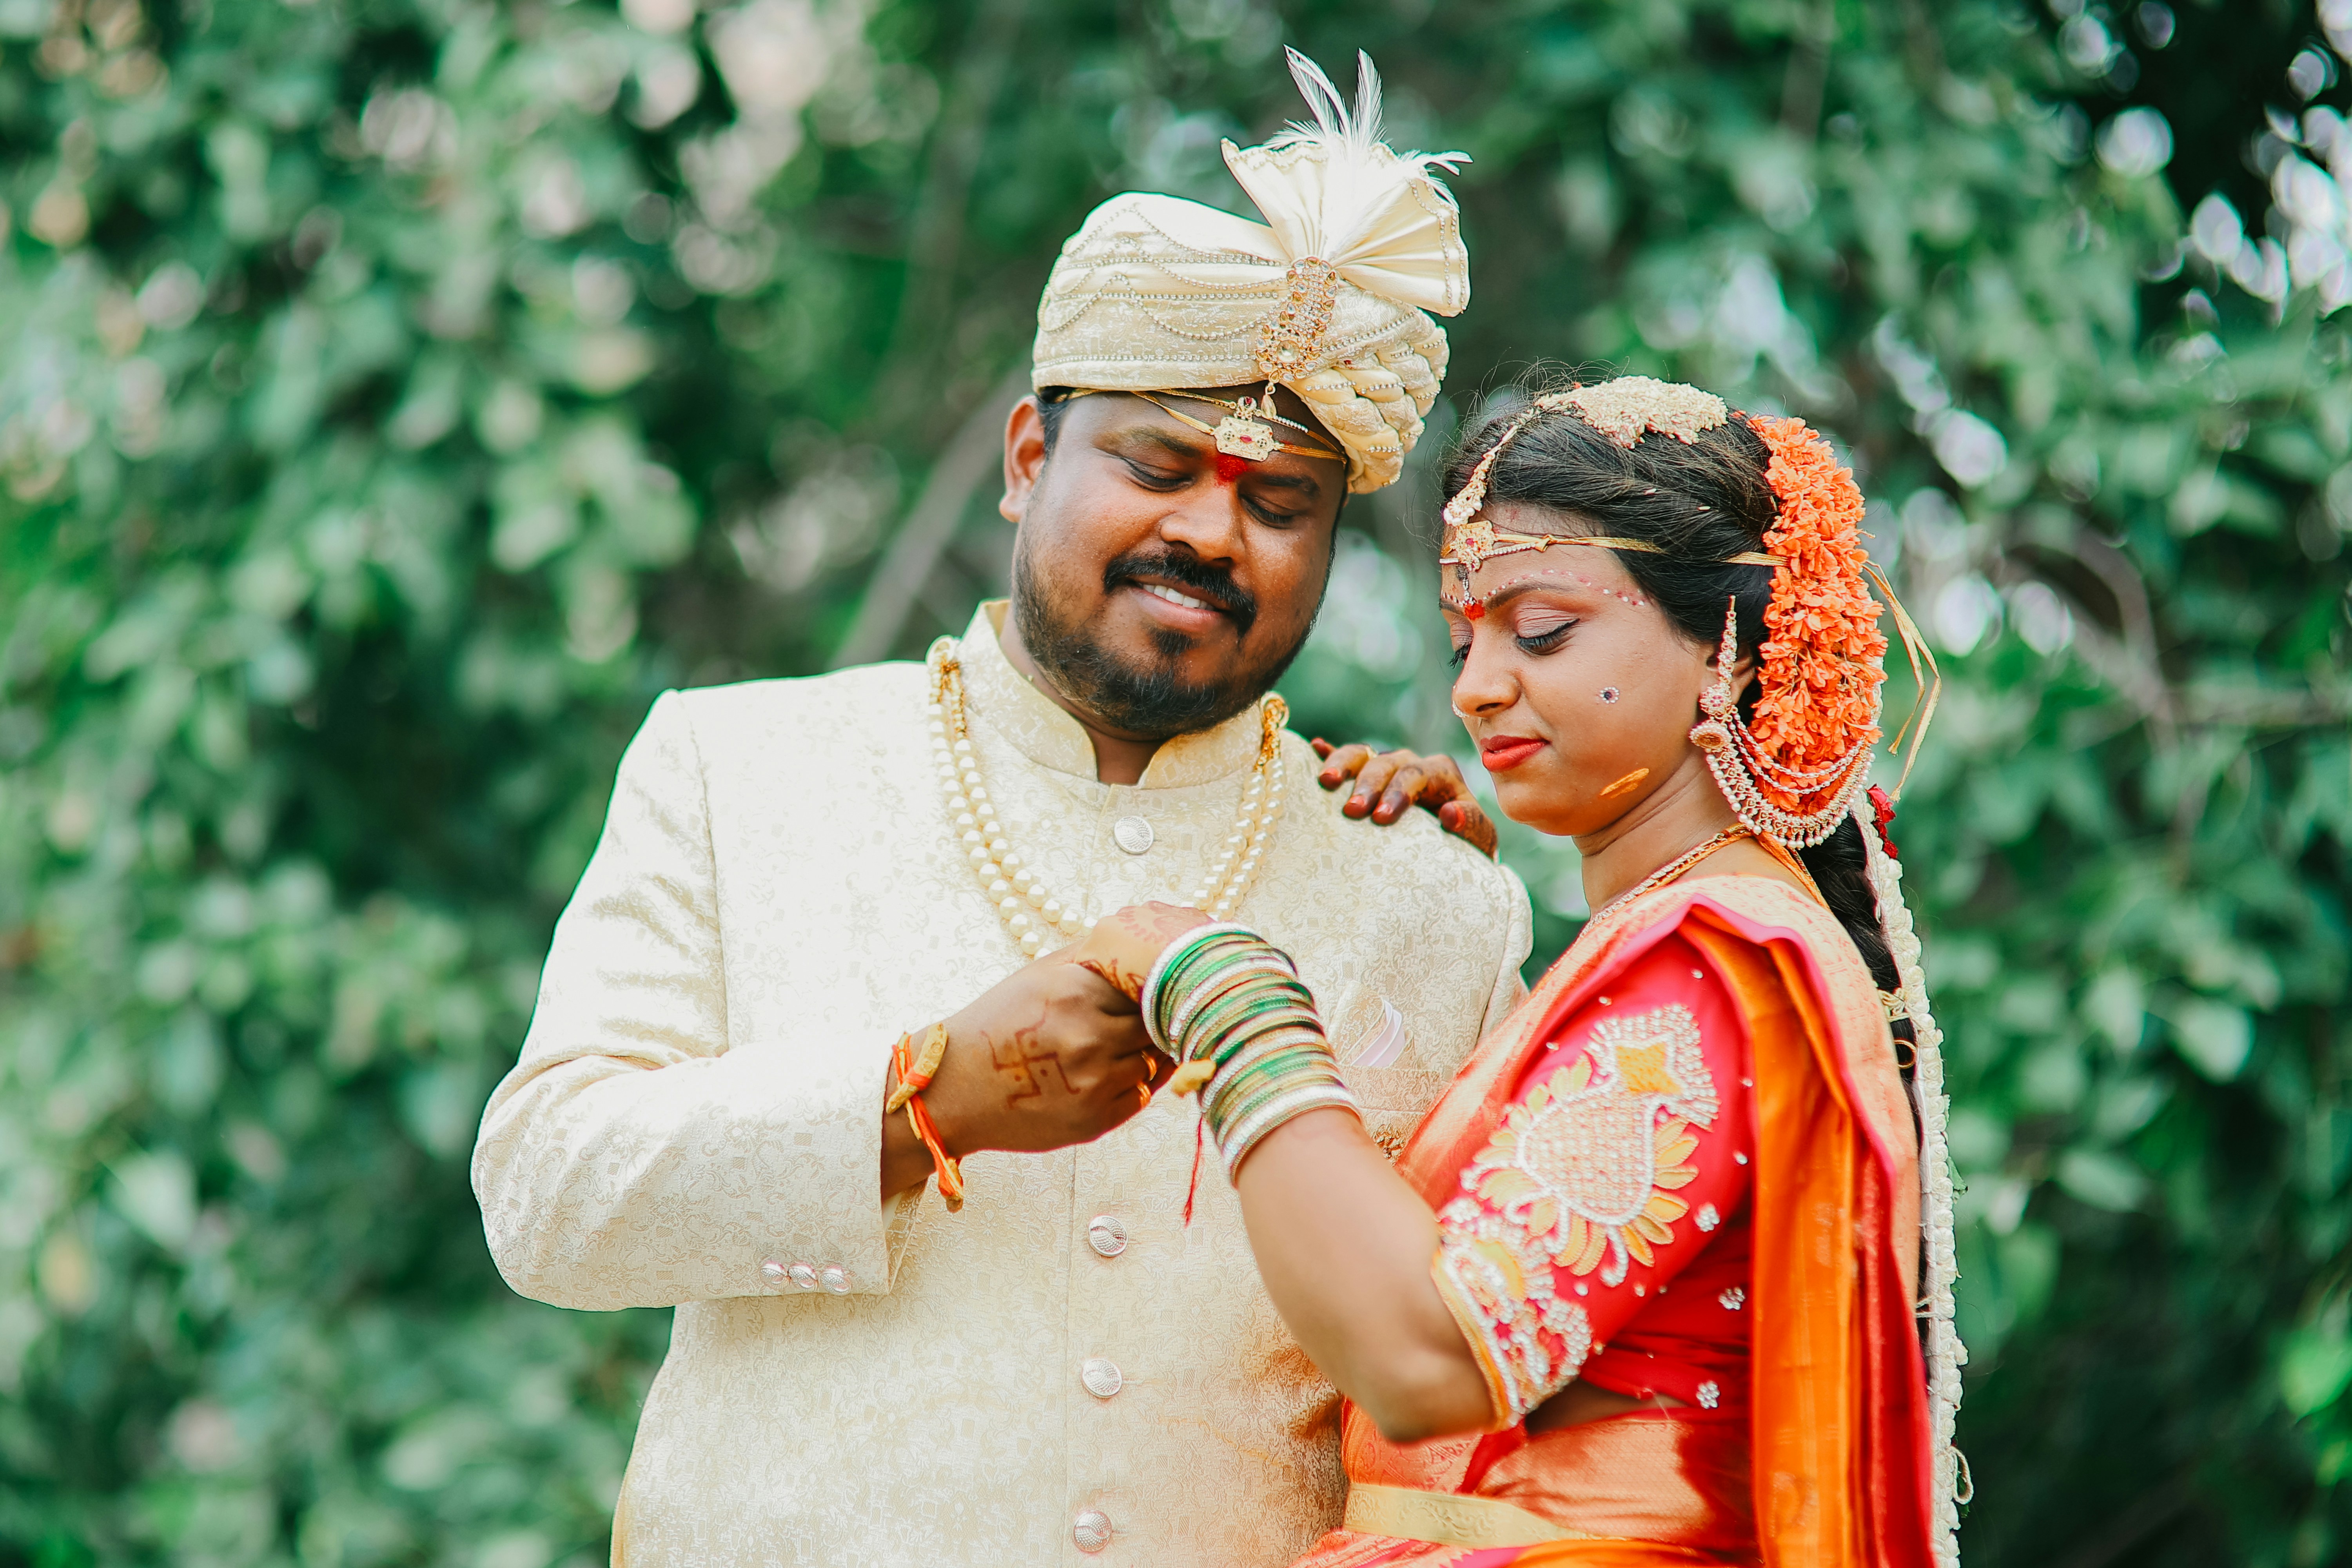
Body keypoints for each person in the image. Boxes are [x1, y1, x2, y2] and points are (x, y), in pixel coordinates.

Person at [470, 50, 1532, 1568]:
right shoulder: (737, 766)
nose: (1208, 530)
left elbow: (1484, 1378)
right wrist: (920, 1102)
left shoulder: (1435, 893)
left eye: (1278, 501)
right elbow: (547, 1196)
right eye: (1157, 464)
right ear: (1031, 460)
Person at [1074, 375, 1967, 1566]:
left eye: (1542, 631)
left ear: (1730, 644)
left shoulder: (1718, 967)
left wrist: (1225, 993)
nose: (1475, 687)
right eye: (1465, 639)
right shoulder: (1664, 939)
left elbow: (1428, 1361)